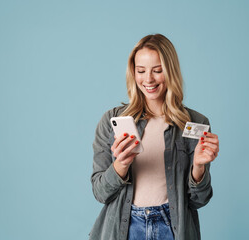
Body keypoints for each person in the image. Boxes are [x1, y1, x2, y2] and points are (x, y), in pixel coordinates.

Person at [89, 34, 220, 240]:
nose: (148, 79)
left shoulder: (194, 123)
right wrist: (120, 166)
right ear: (133, 73)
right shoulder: (112, 120)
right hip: (125, 228)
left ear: (171, 72)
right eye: (141, 71)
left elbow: (199, 201)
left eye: (157, 71)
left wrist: (199, 167)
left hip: (172, 228)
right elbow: (99, 192)